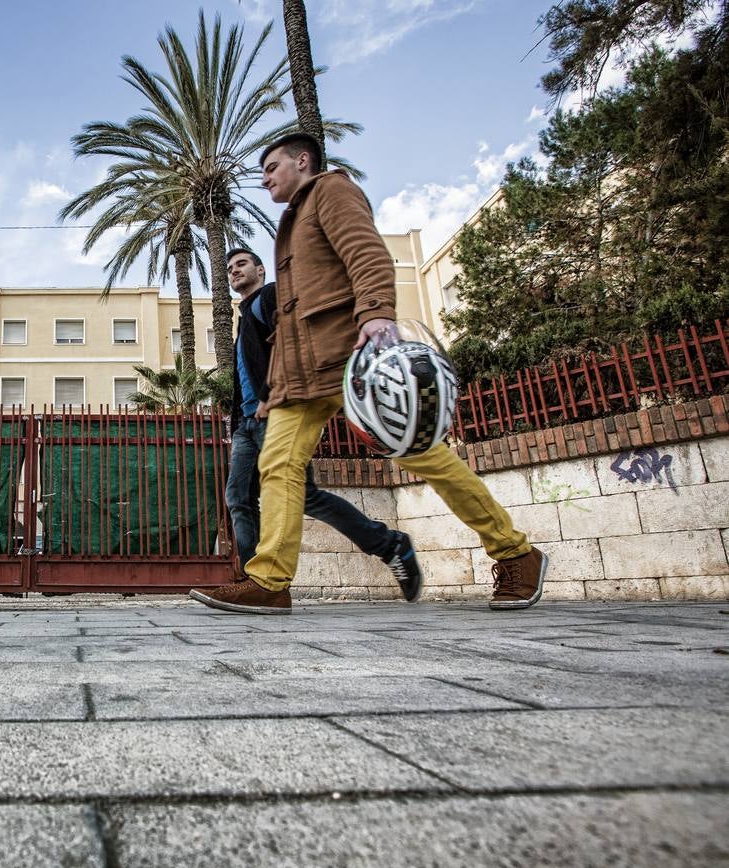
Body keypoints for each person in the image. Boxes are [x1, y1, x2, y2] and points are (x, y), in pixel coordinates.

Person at [192, 133, 548, 615]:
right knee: (276, 466)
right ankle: (270, 581)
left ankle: (516, 553)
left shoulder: (331, 191)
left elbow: (367, 253)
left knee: (426, 457)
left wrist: (377, 313)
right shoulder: (292, 221)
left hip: (349, 356)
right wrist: (275, 385)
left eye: (272, 166)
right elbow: (291, 319)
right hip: (301, 375)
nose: (265, 178)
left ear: (303, 160)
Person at [224, 247, 422, 601]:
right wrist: (238, 417)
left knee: (304, 497)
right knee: (238, 498)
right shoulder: (243, 317)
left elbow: (293, 345)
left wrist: (277, 395)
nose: (234, 271)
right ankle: (255, 581)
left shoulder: (269, 299)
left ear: (260, 270)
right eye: (229, 268)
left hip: (276, 416)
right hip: (246, 425)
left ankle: (390, 544)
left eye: (242, 264)